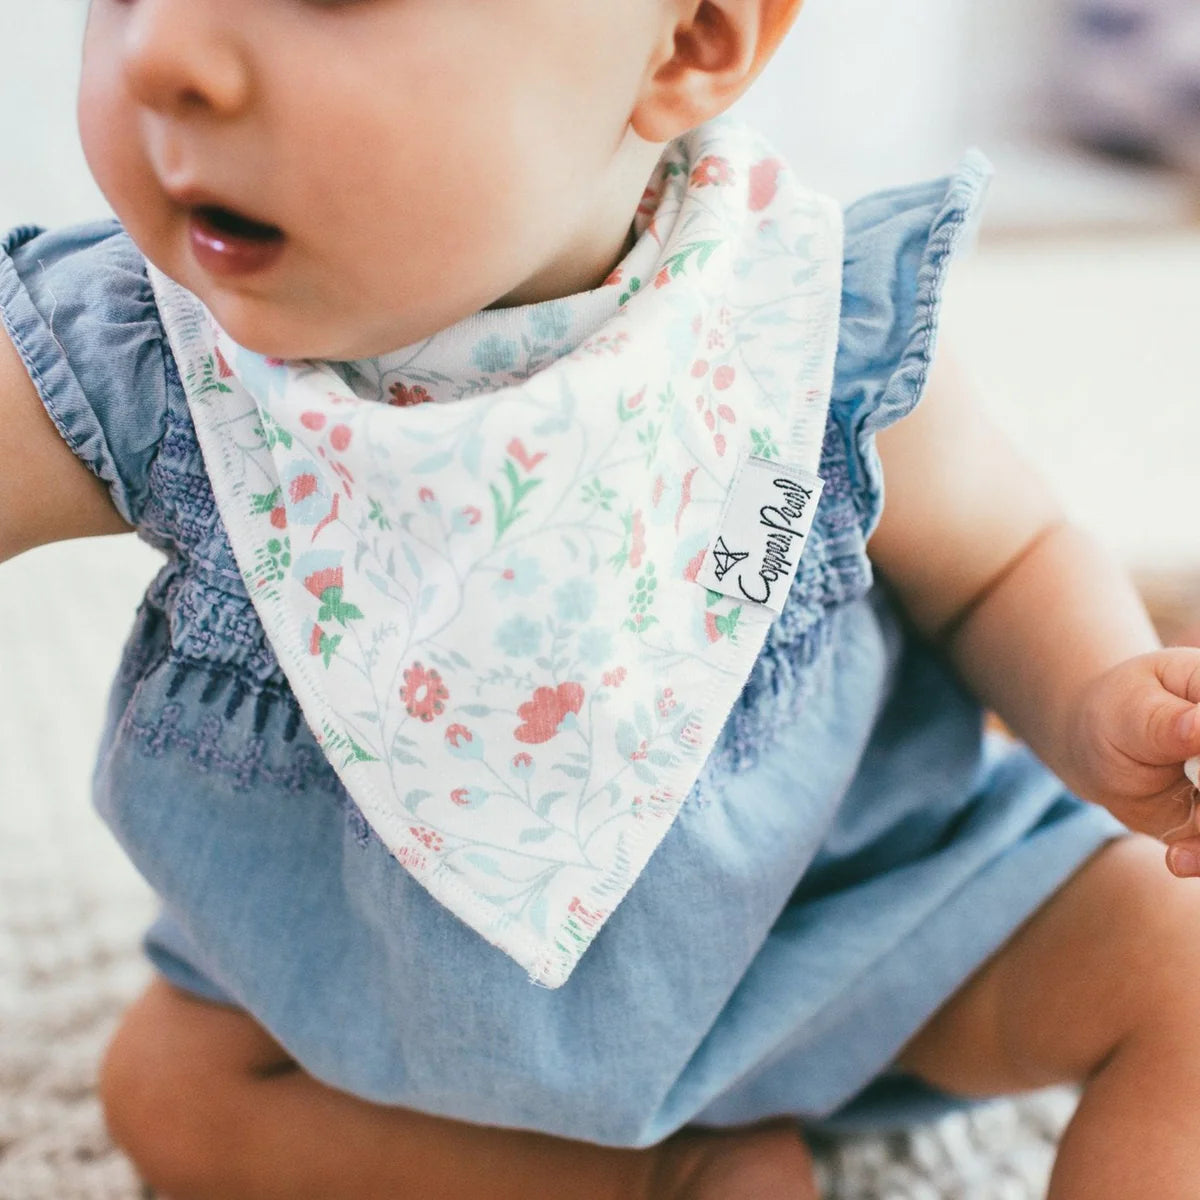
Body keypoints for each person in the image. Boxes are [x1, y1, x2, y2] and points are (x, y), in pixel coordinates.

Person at [3, 1, 1200, 1197]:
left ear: (690, 41)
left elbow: (1002, 561)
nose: (161, 53)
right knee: (168, 1093)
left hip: (830, 922)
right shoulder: (154, 349)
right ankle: (665, 1180)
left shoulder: (795, 311)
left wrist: (1098, 699)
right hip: (372, 996)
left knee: (1180, 963)